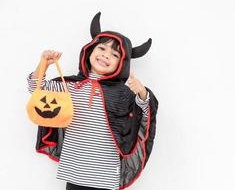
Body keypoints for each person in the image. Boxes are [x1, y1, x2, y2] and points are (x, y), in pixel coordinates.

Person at [26, 12, 158, 190]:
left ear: (122, 63)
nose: (105, 56)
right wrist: (43, 64)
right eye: (102, 49)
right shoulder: (71, 86)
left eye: (114, 55)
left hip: (104, 174)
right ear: (90, 50)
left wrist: (142, 92)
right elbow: (37, 89)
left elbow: (144, 115)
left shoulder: (123, 93)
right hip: (74, 170)